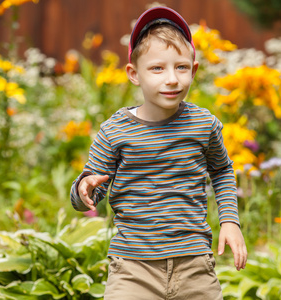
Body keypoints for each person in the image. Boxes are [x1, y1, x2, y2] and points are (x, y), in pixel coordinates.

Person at [70, 6, 247, 299]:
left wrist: (229, 220)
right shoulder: (114, 132)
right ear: (134, 74)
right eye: (157, 68)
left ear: (194, 69)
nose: (172, 79)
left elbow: (222, 169)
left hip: (194, 265)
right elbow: (88, 195)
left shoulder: (204, 125)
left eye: (181, 67)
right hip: (132, 269)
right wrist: (83, 187)